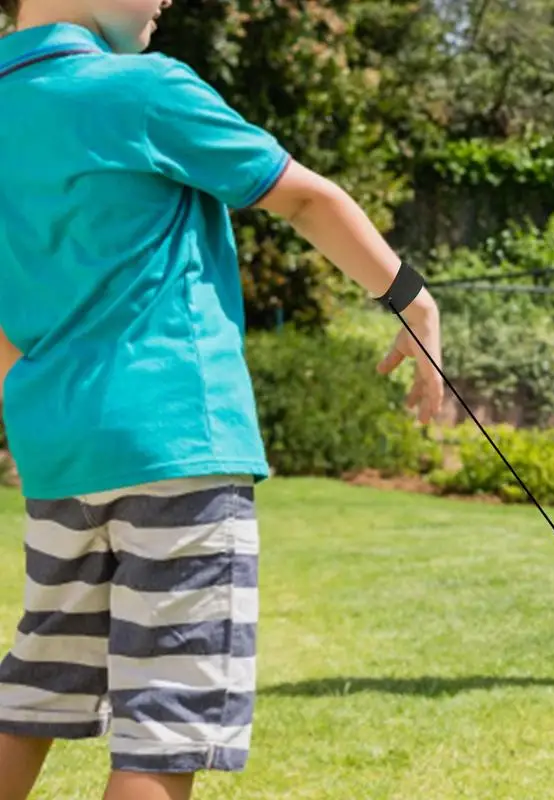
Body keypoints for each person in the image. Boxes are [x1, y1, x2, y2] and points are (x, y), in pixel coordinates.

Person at [0, 1, 444, 798]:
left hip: (57, 451)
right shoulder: (140, 89)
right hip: (177, 440)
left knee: (39, 687)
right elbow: (305, 199)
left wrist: (44, 409)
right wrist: (414, 300)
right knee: (164, 731)